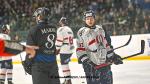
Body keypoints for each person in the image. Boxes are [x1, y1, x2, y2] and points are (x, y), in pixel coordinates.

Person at [76, 10, 123, 84]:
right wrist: (86, 62)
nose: (90, 20)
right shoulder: (81, 32)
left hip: (104, 64)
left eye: (91, 18)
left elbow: (106, 45)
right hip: (91, 66)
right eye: (87, 19)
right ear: (84, 20)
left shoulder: (100, 29)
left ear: (94, 18)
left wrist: (112, 56)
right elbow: (80, 49)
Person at [26, 7, 60, 84]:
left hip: (39, 66)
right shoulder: (54, 28)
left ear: (39, 16)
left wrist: (27, 64)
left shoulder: (34, 30)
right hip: (53, 64)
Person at [55, 17, 74, 84]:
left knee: (64, 65)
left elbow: (59, 40)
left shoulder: (61, 29)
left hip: (64, 50)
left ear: (60, 22)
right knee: (66, 64)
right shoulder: (69, 29)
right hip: (70, 50)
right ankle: (68, 80)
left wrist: (57, 49)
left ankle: (68, 81)